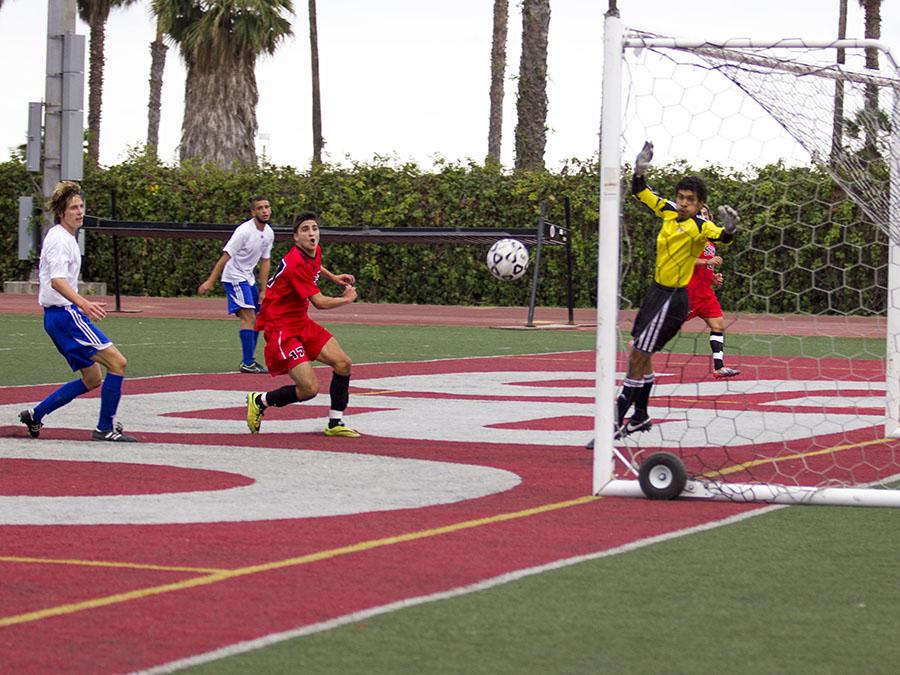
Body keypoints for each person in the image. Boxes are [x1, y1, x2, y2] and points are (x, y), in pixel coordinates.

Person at [615, 141, 739, 439]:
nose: (683, 203)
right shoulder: (668, 211)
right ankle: (641, 417)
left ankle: (615, 419)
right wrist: (639, 171)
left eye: (691, 200)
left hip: (674, 299)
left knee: (639, 354)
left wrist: (730, 229)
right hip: (655, 293)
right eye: (681, 197)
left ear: (700, 205)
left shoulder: (700, 226)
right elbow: (642, 194)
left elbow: (720, 237)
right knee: (639, 355)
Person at [19, 181, 137, 442]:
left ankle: (35, 414)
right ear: (62, 212)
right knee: (118, 363)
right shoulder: (60, 239)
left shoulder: (63, 237)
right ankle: (104, 428)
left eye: (81, 206)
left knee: (92, 378)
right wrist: (83, 303)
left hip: (58, 317)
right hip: (65, 315)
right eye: (74, 207)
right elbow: (57, 281)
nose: (80, 211)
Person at [246, 211, 361, 438]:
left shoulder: (312, 250)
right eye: (305, 230)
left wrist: (334, 277)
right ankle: (260, 401)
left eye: (314, 229)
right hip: (281, 328)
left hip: (301, 322)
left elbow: (316, 265)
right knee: (309, 390)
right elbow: (319, 302)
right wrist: (346, 299)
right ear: (295, 238)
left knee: (343, 363)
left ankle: (335, 423)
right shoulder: (295, 263)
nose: (312, 234)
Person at [198, 195, 275, 374]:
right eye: (260, 208)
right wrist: (210, 281)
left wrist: (264, 290)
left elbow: (265, 261)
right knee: (249, 318)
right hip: (233, 277)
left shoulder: (269, 233)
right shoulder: (243, 232)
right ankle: (247, 363)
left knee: (258, 317)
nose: (264, 211)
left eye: (267, 207)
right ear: (253, 212)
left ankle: (250, 361)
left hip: (248, 278)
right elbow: (225, 257)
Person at [684, 206, 740, 378]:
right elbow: (684, 259)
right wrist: (708, 260)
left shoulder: (711, 241)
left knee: (718, 325)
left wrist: (713, 278)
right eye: (700, 213)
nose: (703, 215)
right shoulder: (691, 236)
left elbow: (704, 267)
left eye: (706, 213)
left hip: (706, 294)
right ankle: (643, 343)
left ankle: (719, 367)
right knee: (667, 326)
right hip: (689, 293)